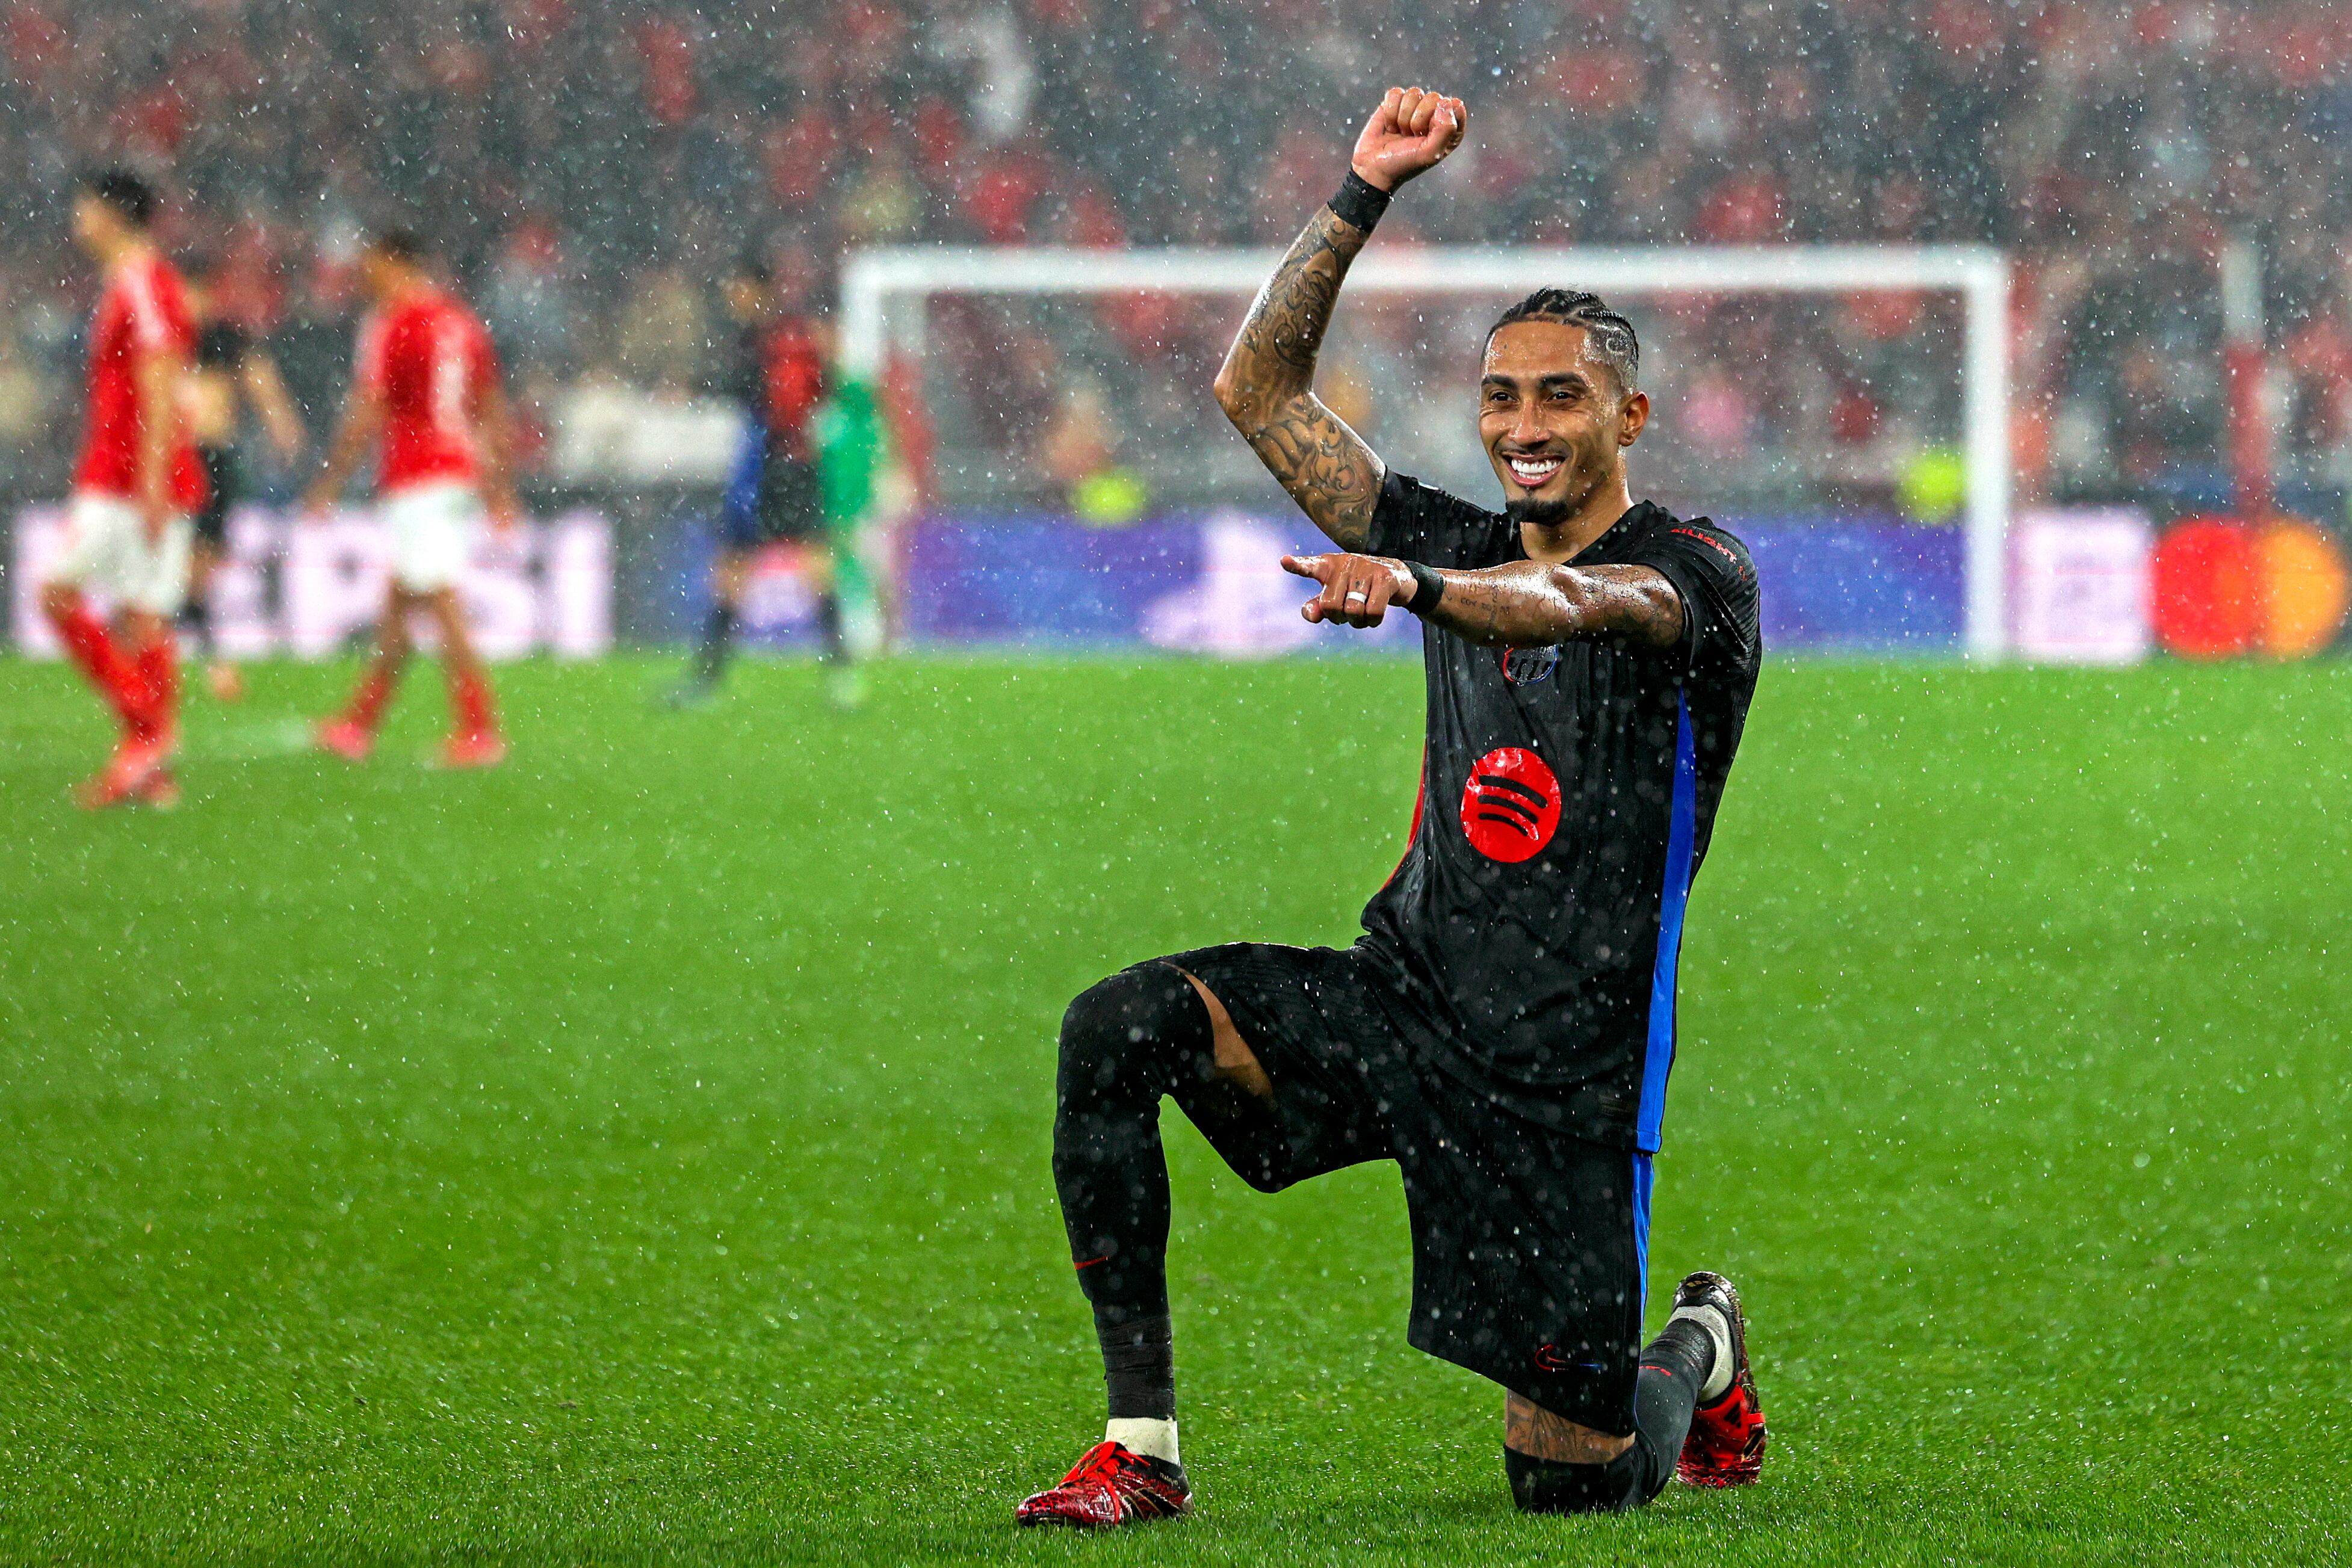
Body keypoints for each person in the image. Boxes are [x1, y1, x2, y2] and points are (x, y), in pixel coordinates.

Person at [1018, 87, 1767, 1528]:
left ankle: (1701, 1340)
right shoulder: (1457, 529)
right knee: (1118, 1024)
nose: (1525, 425)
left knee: (1573, 1484)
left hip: (1567, 1076)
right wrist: (1358, 193)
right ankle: (1143, 1448)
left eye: (1561, 396)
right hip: (1407, 1004)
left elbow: (1569, 598)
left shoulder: (1698, 573)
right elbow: (1257, 395)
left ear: (1631, 413)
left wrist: (1416, 586)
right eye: (1502, 396)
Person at [306, 227, 519, 769]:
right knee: (400, 604)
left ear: (398, 262)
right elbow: (491, 407)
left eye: (372, 265)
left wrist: (329, 483)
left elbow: (368, 409)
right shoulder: (463, 323)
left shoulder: (390, 323)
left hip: (418, 476)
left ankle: (480, 729)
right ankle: (360, 723)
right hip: (457, 471)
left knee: (441, 601)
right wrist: (498, 487)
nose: (365, 276)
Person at [37, 170, 208, 810]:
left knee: (56, 593)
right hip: (134, 472)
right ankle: (151, 768)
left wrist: (156, 477)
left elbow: (161, 378)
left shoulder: (141, 282)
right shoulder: (135, 281)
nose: (77, 220)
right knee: (142, 614)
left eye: (84, 207)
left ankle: (147, 728)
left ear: (111, 213)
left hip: (127, 476)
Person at [664, 250, 856, 709]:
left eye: (738, 287)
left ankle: (706, 682)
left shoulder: (763, 339)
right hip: (799, 461)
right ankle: (843, 675)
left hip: (765, 465)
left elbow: (751, 393)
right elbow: (823, 391)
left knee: (733, 569)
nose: (731, 296)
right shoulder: (796, 333)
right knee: (814, 565)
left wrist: (697, 387)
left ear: (756, 288)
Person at [181, 260, 308, 702]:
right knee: (182, 572)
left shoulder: (224, 339)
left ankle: (199, 659)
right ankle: (212, 662)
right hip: (172, 463)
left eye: (194, 293)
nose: (189, 304)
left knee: (198, 571)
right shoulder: (164, 342)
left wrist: (283, 425)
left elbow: (262, 383)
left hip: (211, 463)